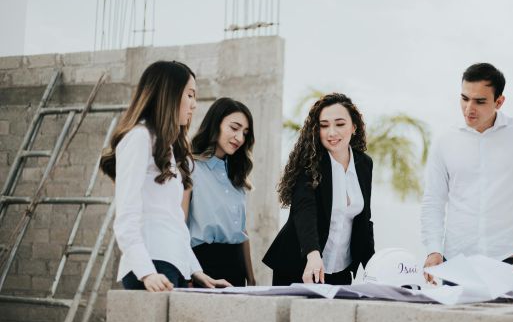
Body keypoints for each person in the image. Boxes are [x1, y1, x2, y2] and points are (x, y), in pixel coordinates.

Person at [421, 63, 513, 283]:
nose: (469, 109)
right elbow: (433, 201)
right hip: (457, 262)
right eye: (464, 98)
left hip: (507, 260)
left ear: (499, 101)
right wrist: (433, 250)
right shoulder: (444, 141)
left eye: (479, 101)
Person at [99, 60, 231, 292]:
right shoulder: (139, 138)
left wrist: (195, 270)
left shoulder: (170, 150)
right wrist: (146, 272)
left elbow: (173, 220)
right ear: (169, 94)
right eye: (189, 95)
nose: (194, 105)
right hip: (152, 265)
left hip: (173, 265)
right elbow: (126, 216)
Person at [263, 93, 375, 285]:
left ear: (354, 127)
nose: (331, 132)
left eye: (340, 124)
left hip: (341, 269)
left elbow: (364, 221)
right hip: (300, 264)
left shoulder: (364, 164)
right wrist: (313, 255)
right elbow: (304, 211)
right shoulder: (309, 162)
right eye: (324, 125)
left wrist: (375, 267)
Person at [182, 97, 256, 287]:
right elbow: (180, 225)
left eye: (245, 133)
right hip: (201, 265)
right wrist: (188, 274)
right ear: (216, 124)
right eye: (234, 128)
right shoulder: (189, 166)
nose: (240, 138)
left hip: (236, 268)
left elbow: (241, 232)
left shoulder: (237, 177)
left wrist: (252, 278)